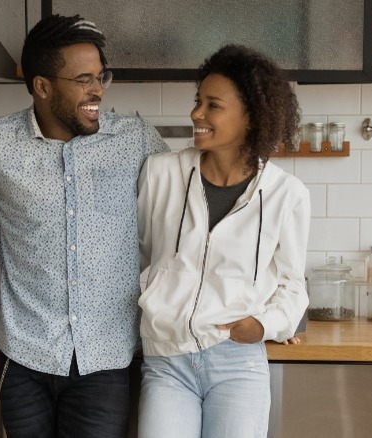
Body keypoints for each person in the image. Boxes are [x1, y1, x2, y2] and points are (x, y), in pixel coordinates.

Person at [0, 14, 168, 438]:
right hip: (24, 357)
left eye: (100, 77)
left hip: (107, 358)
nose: (97, 90)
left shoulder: (136, 140)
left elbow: (184, 215)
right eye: (83, 79)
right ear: (42, 87)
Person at [136, 44, 311, 438]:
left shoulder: (287, 194)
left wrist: (265, 324)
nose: (196, 113)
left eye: (212, 105)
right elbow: (139, 256)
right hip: (166, 361)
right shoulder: (160, 174)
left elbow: (292, 284)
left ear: (250, 116)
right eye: (198, 101)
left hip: (237, 363)